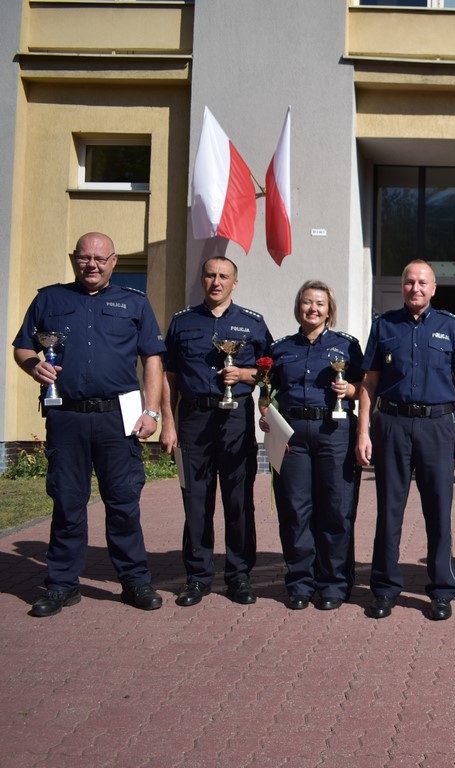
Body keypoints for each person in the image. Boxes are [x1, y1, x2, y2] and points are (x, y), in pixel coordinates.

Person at [13, 232, 167, 616]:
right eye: (84, 258)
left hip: (118, 418)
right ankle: (62, 585)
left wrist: (152, 412)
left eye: (100, 259)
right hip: (66, 416)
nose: (92, 265)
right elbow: (23, 346)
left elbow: (152, 359)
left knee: (123, 504)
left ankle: (134, 582)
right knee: (66, 502)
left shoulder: (135, 303)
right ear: (74, 259)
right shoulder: (49, 299)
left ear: (114, 261)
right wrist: (35, 366)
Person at [356, 260, 455, 621]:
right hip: (391, 425)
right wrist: (363, 430)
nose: (415, 288)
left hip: (437, 427)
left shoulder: (450, 327)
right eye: (409, 282)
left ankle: (440, 590)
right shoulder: (384, 325)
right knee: (389, 511)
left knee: (438, 512)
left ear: (434, 288)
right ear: (402, 286)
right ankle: (385, 588)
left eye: (422, 282)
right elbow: (369, 382)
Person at [160, 256, 273, 607]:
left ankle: (239, 576)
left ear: (234, 283)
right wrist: (167, 420)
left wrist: (244, 377)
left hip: (236, 418)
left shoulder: (252, 324)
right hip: (193, 420)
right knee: (196, 500)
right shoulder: (182, 322)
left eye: (224, 276)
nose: (216, 282)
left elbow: (270, 372)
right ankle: (197, 576)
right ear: (202, 278)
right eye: (210, 275)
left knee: (239, 501)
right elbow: (169, 377)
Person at [259, 281, 362, 611]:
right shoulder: (280, 348)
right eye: (306, 303)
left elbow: (366, 386)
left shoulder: (347, 347)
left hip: (335, 431)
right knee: (295, 510)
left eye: (319, 303)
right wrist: (264, 412)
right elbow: (266, 391)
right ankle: (301, 582)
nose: (313, 309)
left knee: (336, 509)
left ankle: (334, 583)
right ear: (298, 307)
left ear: (329, 310)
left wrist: (351, 390)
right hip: (291, 434)